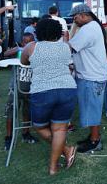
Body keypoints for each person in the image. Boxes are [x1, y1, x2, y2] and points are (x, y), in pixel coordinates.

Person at [21, 19, 77, 175]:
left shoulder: (31, 47)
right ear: (57, 32)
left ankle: (66, 150)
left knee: (39, 126)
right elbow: (69, 63)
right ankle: (54, 166)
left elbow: (23, 62)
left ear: (38, 32)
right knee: (60, 128)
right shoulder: (66, 47)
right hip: (67, 89)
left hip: (43, 90)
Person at [68, 4, 107, 153]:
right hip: (93, 75)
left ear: (84, 15)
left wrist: (69, 33)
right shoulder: (93, 26)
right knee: (93, 109)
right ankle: (93, 136)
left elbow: (69, 46)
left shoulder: (88, 29)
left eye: (75, 17)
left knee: (92, 111)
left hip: (91, 77)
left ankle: (95, 141)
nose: (74, 21)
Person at [3, 32, 39, 150]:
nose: (28, 44)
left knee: (27, 112)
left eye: (31, 41)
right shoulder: (19, 52)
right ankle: (8, 137)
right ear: (22, 42)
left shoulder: (35, 52)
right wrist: (18, 48)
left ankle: (25, 133)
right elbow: (5, 53)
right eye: (25, 42)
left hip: (30, 89)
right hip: (15, 89)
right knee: (11, 112)